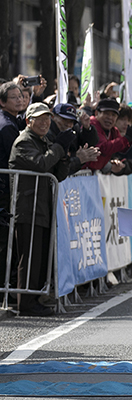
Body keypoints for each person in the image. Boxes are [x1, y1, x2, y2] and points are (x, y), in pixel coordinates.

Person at [9, 103, 72, 316]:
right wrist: (57, 148)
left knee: (40, 255)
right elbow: (41, 165)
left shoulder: (44, 141)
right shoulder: (23, 142)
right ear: (29, 121)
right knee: (29, 257)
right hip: (28, 207)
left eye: (48, 118)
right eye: (40, 118)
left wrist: (64, 154)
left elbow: (58, 173)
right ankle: (25, 303)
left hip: (42, 206)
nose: (45, 123)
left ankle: (34, 298)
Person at [0, 82, 25, 288]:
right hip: (5, 189)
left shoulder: (14, 121)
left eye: (21, 95)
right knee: (6, 243)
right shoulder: (7, 126)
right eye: (14, 97)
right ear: (2, 102)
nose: (20, 99)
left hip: (9, 188)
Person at [86, 98, 132, 172]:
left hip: (92, 175)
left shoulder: (113, 130)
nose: (110, 117)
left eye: (113, 115)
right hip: (81, 173)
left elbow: (126, 153)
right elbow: (104, 148)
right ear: (97, 113)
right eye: (106, 113)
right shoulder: (91, 124)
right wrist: (127, 138)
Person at [48, 103, 100, 175]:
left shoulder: (73, 131)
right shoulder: (47, 134)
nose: (68, 124)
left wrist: (87, 128)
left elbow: (89, 144)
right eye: (64, 119)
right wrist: (78, 159)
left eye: (71, 121)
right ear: (53, 117)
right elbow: (54, 167)